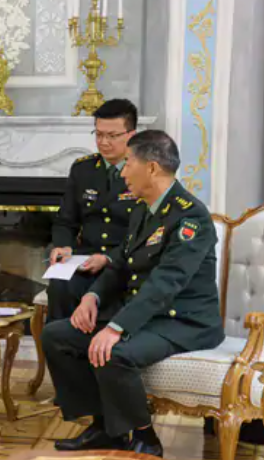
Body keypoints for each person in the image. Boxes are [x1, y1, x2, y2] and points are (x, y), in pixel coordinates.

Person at [42, 130, 224, 457]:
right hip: (148, 317)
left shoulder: (190, 217)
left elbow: (166, 283)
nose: (122, 172)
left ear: (151, 168)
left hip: (183, 322)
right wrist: (92, 297)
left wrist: (116, 327)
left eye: (128, 163)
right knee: (58, 335)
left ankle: (145, 438)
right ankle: (105, 428)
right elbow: (120, 265)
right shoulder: (142, 209)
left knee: (114, 352)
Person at [47, 99, 139, 321]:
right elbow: (65, 220)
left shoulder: (143, 171)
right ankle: (59, 341)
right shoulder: (83, 169)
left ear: (131, 135)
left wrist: (108, 258)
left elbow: (146, 233)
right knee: (59, 283)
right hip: (85, 262)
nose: (103, 142)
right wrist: (63, 246)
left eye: (112, 135)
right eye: (98, 134)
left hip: (125, 263)